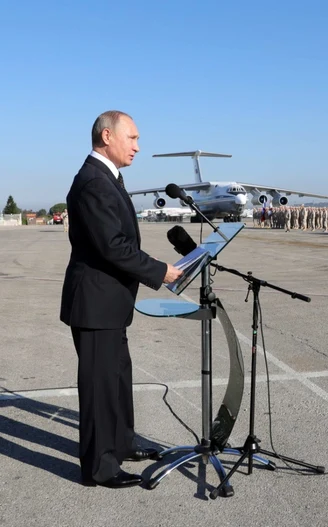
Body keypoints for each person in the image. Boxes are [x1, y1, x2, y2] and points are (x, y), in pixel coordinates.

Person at [60, 110, 183, 489]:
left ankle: (122, 442)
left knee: (118, 378)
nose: (138, 146)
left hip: (110, 303)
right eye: (132, 138)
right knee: (99, 387)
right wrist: (158, 270)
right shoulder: (93, 182)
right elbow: (112, 246)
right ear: (107, 136)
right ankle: (100, 467)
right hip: (96, 304)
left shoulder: (108, 177)